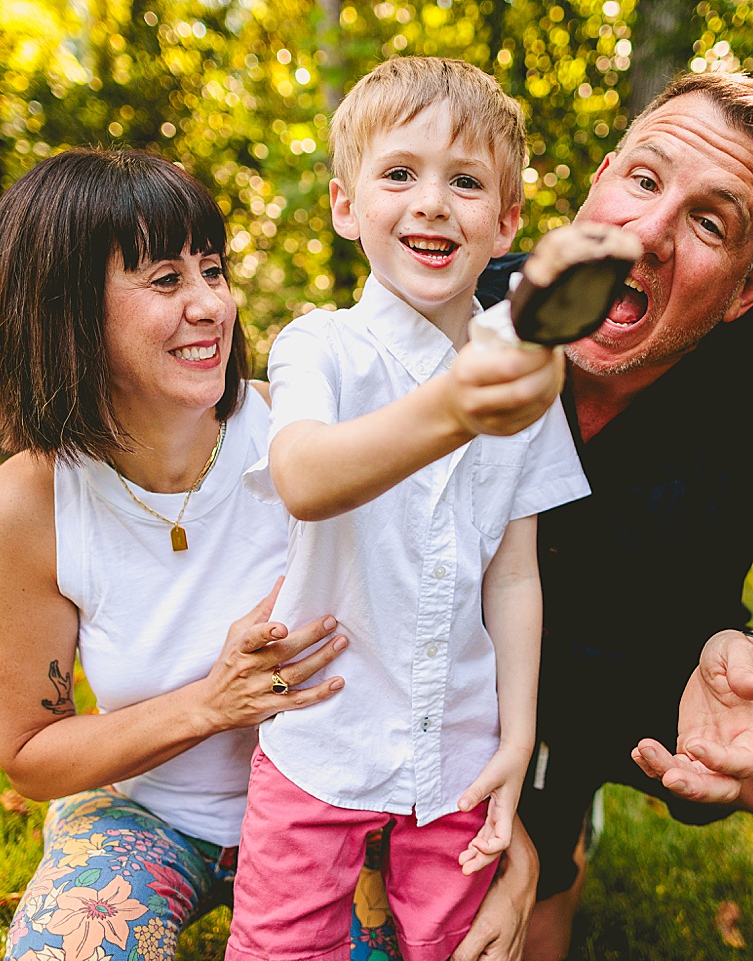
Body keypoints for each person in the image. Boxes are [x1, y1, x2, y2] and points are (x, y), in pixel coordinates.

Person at [0, 147, 550, 961]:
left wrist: (501, 829)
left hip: (347, 812)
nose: (210, 304)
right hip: (149, 813)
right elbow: (30, 754)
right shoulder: (24, 507)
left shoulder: (311, 438)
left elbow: (442, 622)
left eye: (212, 269)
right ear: (62, 309)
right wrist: (213, 700)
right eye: (166, 280)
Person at [479, 71, 753, 961]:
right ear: (598, 179)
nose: (649, 233)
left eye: (708, 221)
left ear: (749, 286)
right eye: (644, 181)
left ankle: (567, 803)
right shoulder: (469, 308)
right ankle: (553, 823)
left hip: (663, 688)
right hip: (471, 691)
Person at [225, 58, 596, 961]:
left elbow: (514, 571)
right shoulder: (321, 346)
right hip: (325, 733)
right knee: (280, 945)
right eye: (400, 174)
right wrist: (456, 410)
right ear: (346, 205)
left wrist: (518, 737)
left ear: (507, 221)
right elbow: (309, 476)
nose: (433, 203)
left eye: (465, 182)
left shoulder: (529, 373)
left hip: (460, 744)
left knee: (460, 945)